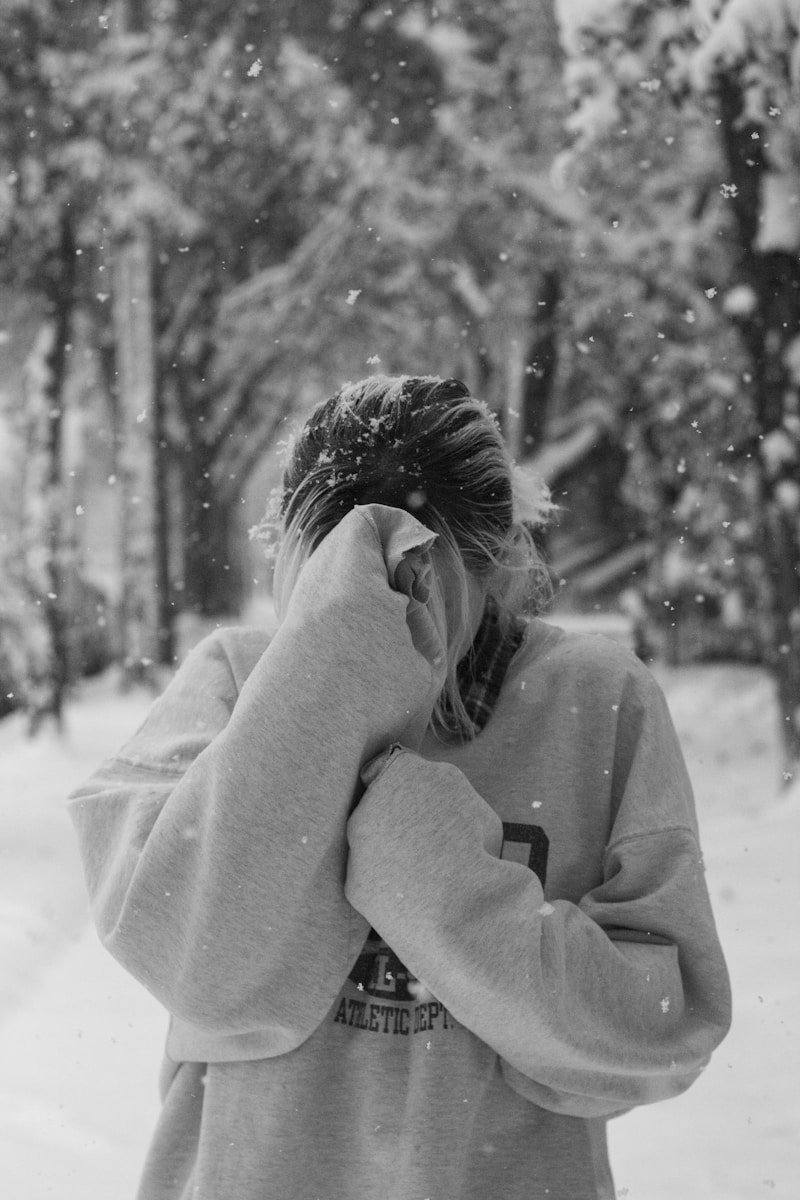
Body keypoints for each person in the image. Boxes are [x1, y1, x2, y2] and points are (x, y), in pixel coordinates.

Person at [68, 375, 731, 1200]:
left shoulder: (594, 703)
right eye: (345, 572)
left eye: (417, 572)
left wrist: (435, 873)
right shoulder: (237, 685)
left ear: (494, 555)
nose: (394, 597)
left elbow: (662, 1031)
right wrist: (332, 673)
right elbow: (200, 963)